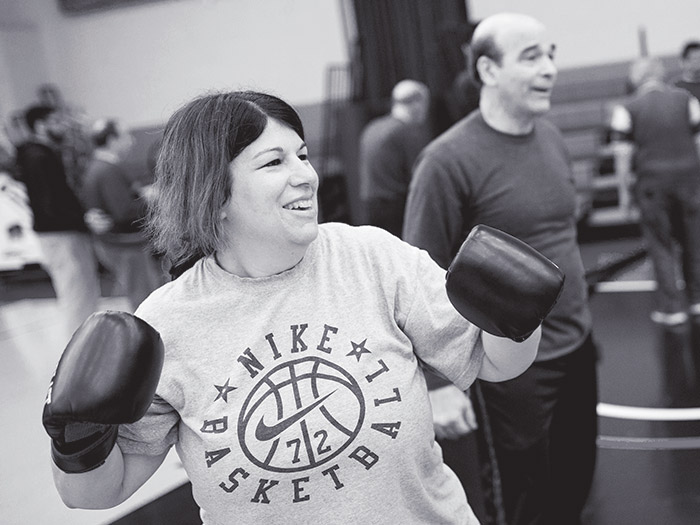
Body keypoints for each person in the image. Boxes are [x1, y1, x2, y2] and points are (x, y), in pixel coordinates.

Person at [42, 90, 569, 525]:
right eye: (274, 162)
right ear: (213, 193)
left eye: (303, 154)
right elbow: (93, 494)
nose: (305, 175)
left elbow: (498, 364)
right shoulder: (165, 323)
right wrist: (77, 435)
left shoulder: (368, 256)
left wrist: (515, 317)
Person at [403, 13, 598, 525]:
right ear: (487, 69)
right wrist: (439, 382)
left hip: (576, 347)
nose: (550, 69)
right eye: (531, 57)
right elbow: (418, 276)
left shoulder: (551, 136)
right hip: (507, 370)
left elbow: (560, 237)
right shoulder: (445, 161)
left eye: (550, 53)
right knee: (525, 498)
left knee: (576, 481)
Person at [610, 57, 700, 326]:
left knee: (661, 245)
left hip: (652, 185)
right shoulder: (687, 100)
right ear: (661, 75)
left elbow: (622, 156)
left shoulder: (626, 108)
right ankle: (697, 299)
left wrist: (624, 195)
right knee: (694, 240)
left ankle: (672, 308)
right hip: (689, 181)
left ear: (636, 79)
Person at [13, 105, 101, 336]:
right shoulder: (37, 157)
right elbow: (49, 204)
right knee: (76, 293)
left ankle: (88, 342)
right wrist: (82, 220)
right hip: (60, 234)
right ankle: (80, 351)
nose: (62, 126)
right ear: (40, 125)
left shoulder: (43, 153)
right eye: (56, 121)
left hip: (65, 231)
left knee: (85, 291)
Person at [81, 118, 165, 311]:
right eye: (126, 136)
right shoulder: (107, 170)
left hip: (118, 245)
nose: (131, 141)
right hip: (125, 247)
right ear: (112, 139)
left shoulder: (98, 168)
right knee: (144, 298)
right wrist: (150, 200)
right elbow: (124, 211)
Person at [358, 79, 432, 236]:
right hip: (397, 208)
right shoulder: (406, 132)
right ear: (417, 103)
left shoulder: (372, 128)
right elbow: (420, 177)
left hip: (370, 206)